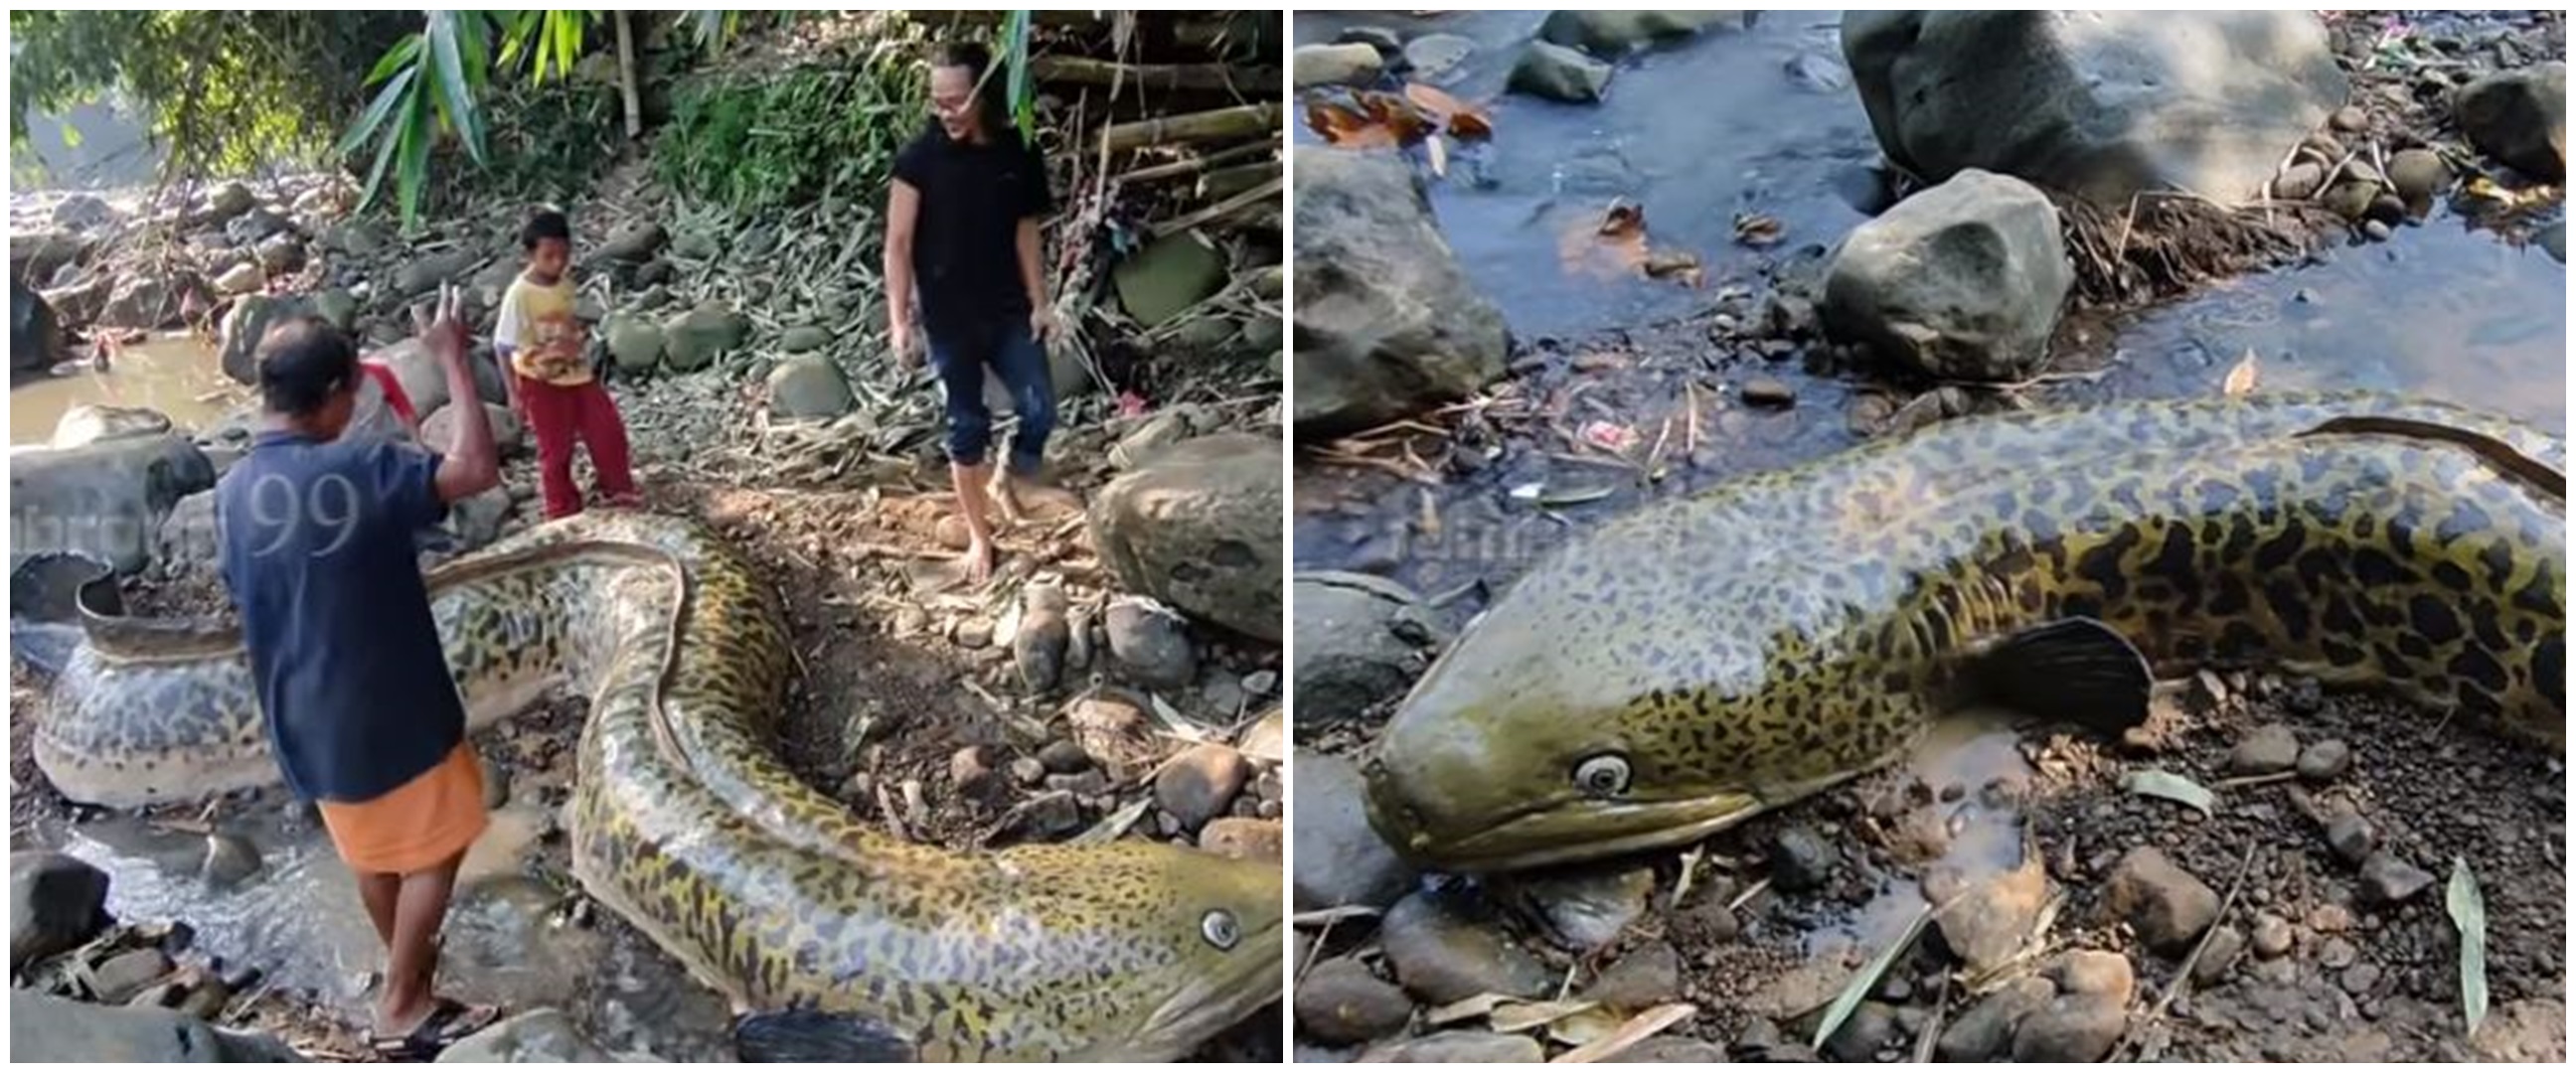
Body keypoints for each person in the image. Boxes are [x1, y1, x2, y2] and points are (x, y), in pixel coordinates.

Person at [212, 285, 504, 1059]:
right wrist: (453, 360)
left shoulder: (230, 493)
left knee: (374, 851)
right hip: (391, 710)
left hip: (300, 716)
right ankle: (403, 1003)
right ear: (335, 395)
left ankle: (405, 970)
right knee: (446, 838)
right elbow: (474, 468)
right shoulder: (358, 468)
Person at [885, 40, 1075, 585]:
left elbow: (1027, 232)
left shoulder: (1016, 152)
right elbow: (897, 244)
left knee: (1040, 412)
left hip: (1008, 310)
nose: (945, 112)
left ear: (984, 96)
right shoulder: (918, 160)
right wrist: (899, 321)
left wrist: (1041, 303)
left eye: (957, 100)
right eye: (937, 101)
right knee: (967, 428)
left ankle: (1011, 476)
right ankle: (978, 537)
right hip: (948, 319)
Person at [494, 208, 639, 519]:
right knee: (556, 450)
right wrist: (513, 393)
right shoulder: (519, 294)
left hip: (578, 374)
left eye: (563, 255)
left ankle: (618, 491)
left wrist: (578, 336)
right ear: (531, 254)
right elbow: (502, 345)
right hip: (540, 381)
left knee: (608, 432)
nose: (558, 263)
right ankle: (561, 510)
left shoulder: (565, 285)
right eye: (548, 256)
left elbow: (570, 321)